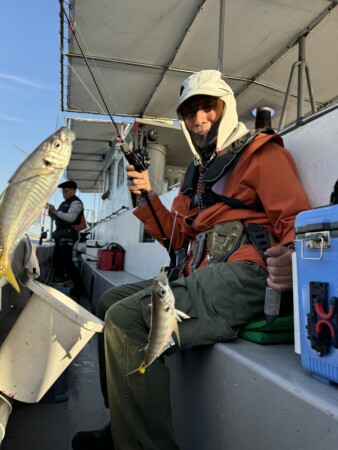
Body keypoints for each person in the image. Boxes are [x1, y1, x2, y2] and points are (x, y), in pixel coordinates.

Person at [71, 70, 311, 450]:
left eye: (208, 108)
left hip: (247, 273)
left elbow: (294, 219)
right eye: (190, 112)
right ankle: (121, 423)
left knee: (126, 320)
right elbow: (177, 236)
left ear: (226, 108)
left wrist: (292, 259)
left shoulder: (263, 153)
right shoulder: (194, 177)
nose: (200, 119)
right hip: (203, 273)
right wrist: (145, 195)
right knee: (107, 302)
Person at [48, 180, 85, 299]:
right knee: (57, 262)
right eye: (62, 191)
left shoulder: (76, 203)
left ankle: (79, 289)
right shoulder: (65, 203)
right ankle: (60, 285)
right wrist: (51, 213)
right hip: (60, 236)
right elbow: (58, 218)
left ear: (74, 191)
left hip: (67, 237)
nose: (64, 193)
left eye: (66, 191)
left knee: (67, 263)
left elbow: (71, 218)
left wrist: (56, 212)